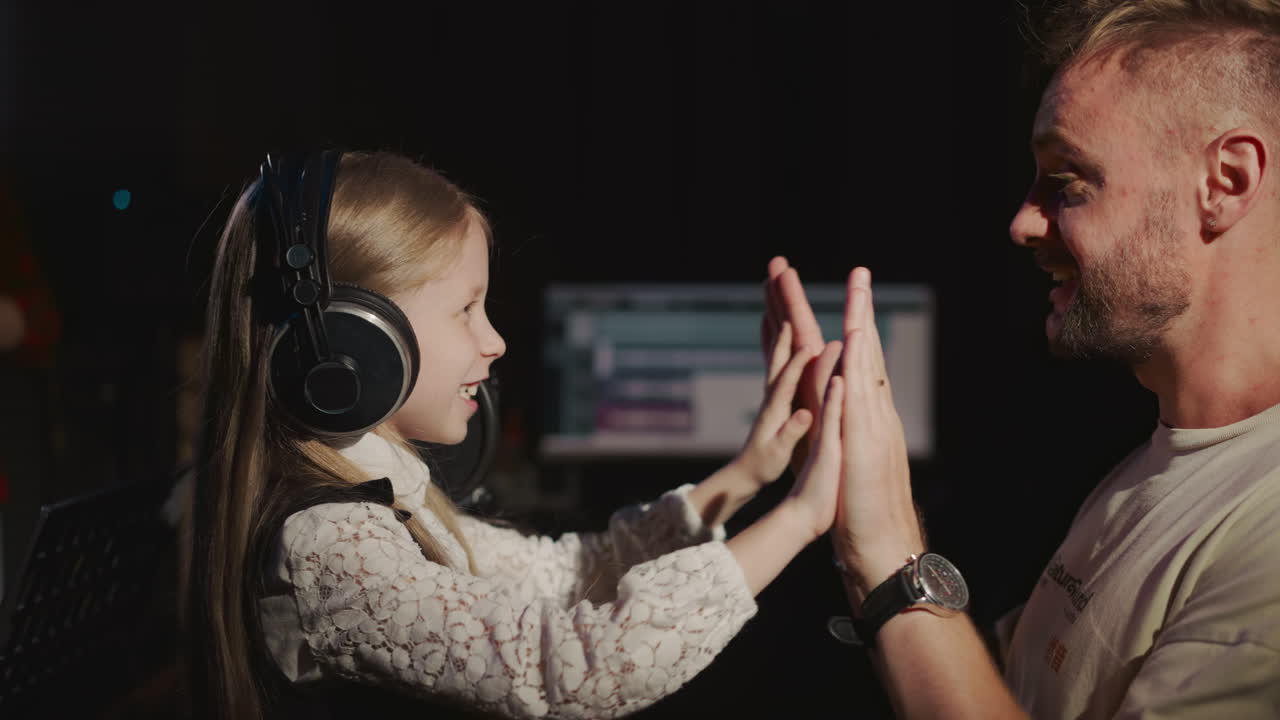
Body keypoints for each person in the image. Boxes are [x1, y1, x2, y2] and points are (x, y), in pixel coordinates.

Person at [186, 150, 847, 720]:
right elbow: (570, 663)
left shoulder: (379, 495)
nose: (494, 341)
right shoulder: (326, 543)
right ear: (353, 340)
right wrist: (803, 516)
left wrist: (750, 473)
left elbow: (571, 573)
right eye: (466, 309)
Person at [767, 1, 1280, 717]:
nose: (1022, 222)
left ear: (1224, 181)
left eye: (1068, 182)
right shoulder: (1164, 458)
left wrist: (882, 549)